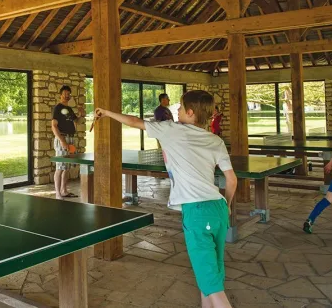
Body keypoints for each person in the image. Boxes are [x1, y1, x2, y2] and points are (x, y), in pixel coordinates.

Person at [95, 90, 237, 308]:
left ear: (190, 113)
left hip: (197, 213)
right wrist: (226, 205)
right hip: (218, 209)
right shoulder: (216, 140)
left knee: (213, 288)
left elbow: (134, 121)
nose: (176, 110)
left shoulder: (171, 130)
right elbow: (231, 180)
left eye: (179, 107)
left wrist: (106, 112)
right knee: (209, 277)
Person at [51, 85, 84, 200]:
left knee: (67, 167)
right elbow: (54, 127)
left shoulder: (69, 109)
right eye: (65, 93)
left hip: (70, 138)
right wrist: (63, 141)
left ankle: (64, 191)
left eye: (68, 94)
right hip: (62, 138)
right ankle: (57, 194)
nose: (67, 95)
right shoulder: (57, 108)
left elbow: (77, 121)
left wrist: (80, 114)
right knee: (60, 167)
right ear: (60, 95)